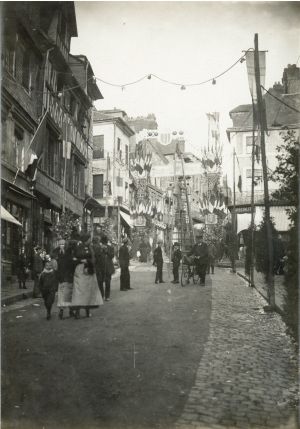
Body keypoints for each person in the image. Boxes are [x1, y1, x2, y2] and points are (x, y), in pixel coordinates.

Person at [71, 233, 103, 319]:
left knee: (88, 291)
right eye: (89, 239)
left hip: (89, 271)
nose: (90, 240)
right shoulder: (79, 248)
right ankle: (78, 312)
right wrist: (81, 260)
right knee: (79, 291)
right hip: (80, 271)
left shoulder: (90, 248)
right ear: (86, 239)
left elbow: (93, 259)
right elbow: (73, 259)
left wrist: (87, 261)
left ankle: (87, 311)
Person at [53, 239, 77, 320]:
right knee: (65, 295)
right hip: (64, 278)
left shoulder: (66, 254)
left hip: (65, 277)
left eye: (63, 244)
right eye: (61, 244)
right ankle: (65, 311)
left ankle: (66, 311)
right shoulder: (61, 254)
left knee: (65, 295)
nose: (62, 246)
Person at [100, 235, 115, 301]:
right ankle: (103, 295)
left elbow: (112, 256)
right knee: (101, 282)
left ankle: (106, 296)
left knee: (107, 282)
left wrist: (106, 251)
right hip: (101, 267)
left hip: (108, 267)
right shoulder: (99, 248)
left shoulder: (110, 247)